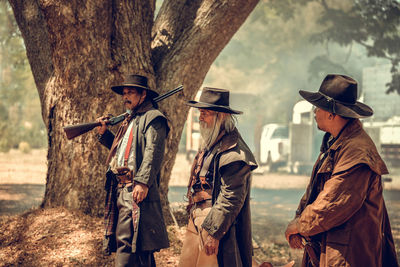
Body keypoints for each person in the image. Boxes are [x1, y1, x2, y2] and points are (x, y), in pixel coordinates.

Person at [284, 74, 398, 267]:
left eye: (317, 107)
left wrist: (300, 225)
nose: (314, 112)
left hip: (349, 255)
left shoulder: (357, 151)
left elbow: (333, 201)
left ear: (331, 114)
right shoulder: (336, 142)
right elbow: (315, 192)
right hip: (333, 247)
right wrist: (299, 220)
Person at [178, 87, 258, 267]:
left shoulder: (234, 152)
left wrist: (214, 233)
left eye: (205, 113)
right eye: (200, 112)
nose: (200, 118)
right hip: (198, 219)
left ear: (221, 116)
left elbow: (231, 197)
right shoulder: (213, 143)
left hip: (214, 223)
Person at [96, 74, 169, 267]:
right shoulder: (131, 119)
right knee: (139, 251)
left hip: (135, 189)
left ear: (143, 95)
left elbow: (153, 152)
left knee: (127, 246)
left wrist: (143, 182)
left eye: (130, 93)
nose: (125, 97)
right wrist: (105, 135)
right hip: (121, 188)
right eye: (124, 93)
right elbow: (123, 152)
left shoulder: (153, 118)